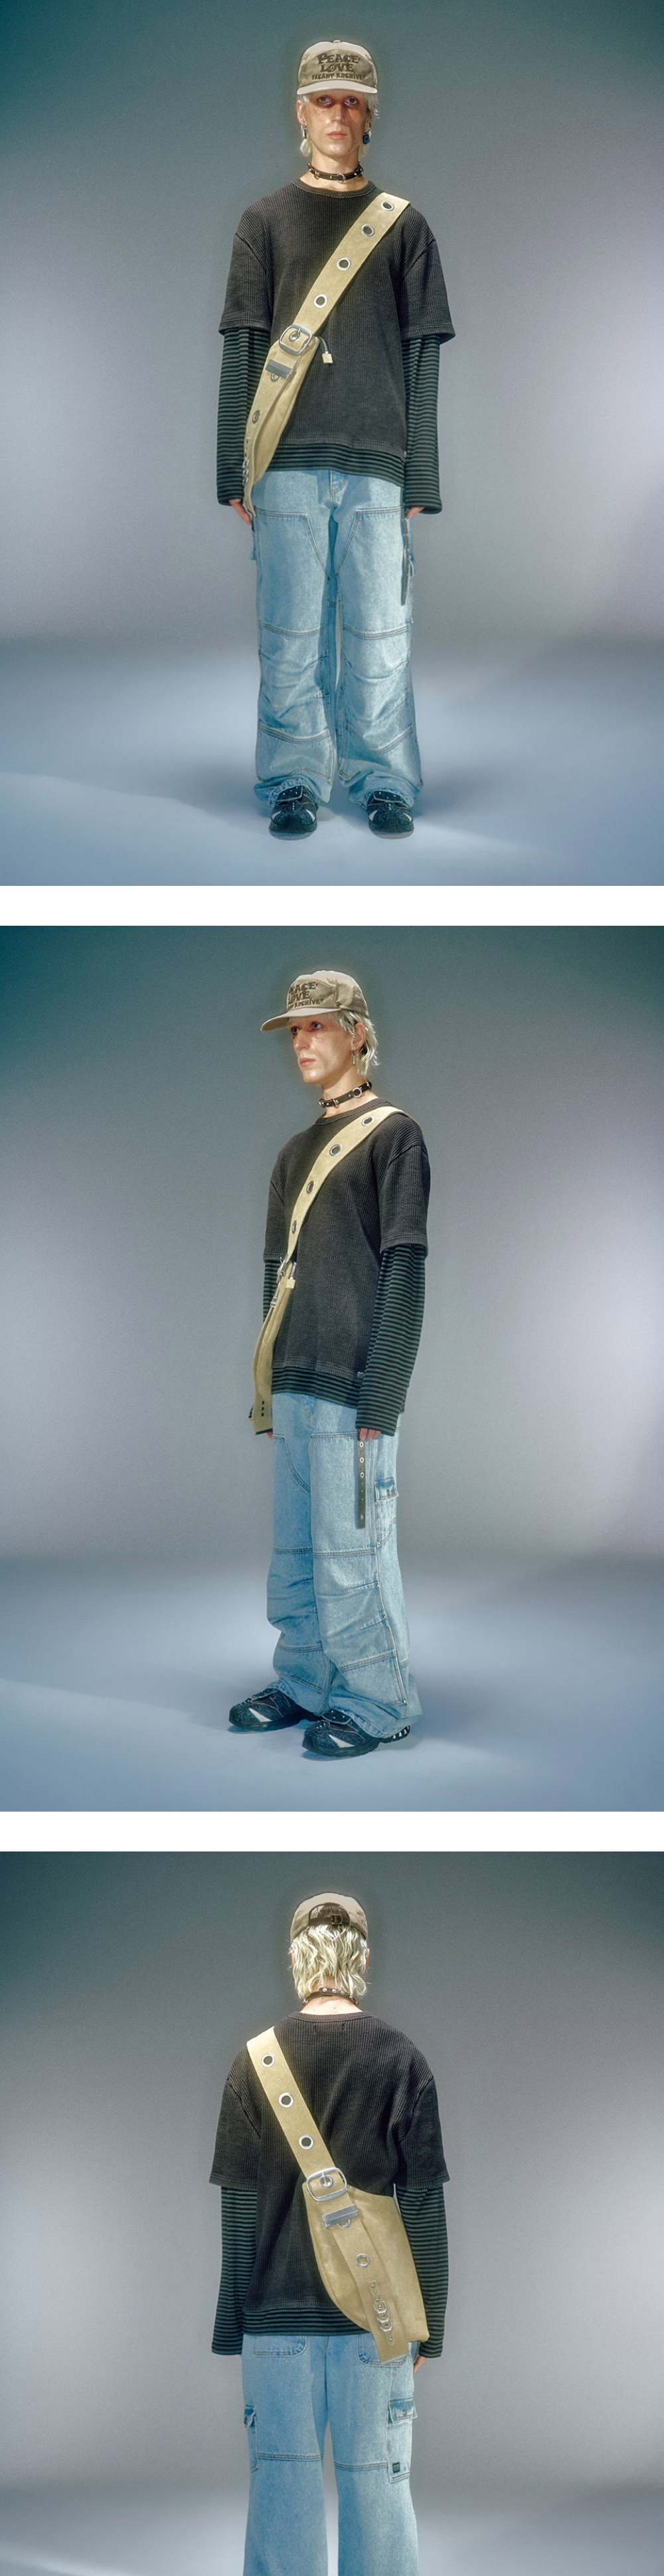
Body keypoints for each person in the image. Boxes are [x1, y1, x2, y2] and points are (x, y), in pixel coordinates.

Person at [210, 1883, 448, 2576]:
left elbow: (239, 2211)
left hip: (275, 2323)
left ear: (295, 1958)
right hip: (377, 2323)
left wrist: (234, 2324)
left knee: (281, 2484)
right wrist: (430, 2322)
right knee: (381, 2486)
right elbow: (422, 2205)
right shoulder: (402, 2059)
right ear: (363, 1958)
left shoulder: (254, 2061)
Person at [216, 33, 454, 838]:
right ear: (301, 111)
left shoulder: (405, 227)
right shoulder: (263, 222)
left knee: (381, 636)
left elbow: (421, 354)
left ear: (369, 115)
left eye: (353, 101)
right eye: (325, 100)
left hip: (378, 460)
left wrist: (422, 473)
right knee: (289, 634)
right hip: (283, 461)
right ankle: (293, 780)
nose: (338, 115)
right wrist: (231, 467)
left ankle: (384, 781)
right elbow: (245, 343)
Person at [230, 966, 428, 1759]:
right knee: (297, 1557)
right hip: (295, 1383)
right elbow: (274, 1278)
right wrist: (269, 1388)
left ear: (357, 1033)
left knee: (352, 1556)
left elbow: (404, 1269)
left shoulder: (394, 1137)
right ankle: (306, 1682)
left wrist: (383, 1395)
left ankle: (379, 1701)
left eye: (317, 1025)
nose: (302, 1041)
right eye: (295, 1029)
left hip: (352, 1385)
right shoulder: (291, 1153)